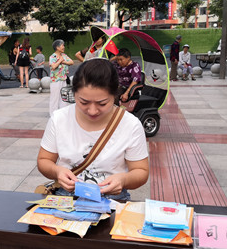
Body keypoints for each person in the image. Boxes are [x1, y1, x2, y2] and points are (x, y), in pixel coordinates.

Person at [38, 59, 149, 201]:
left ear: (114, 95)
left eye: (102, 103)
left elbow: (141, 171)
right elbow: (44, 160)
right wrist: (57, 171)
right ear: (74, 93)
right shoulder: (59, 119)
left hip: (112, 199)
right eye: (84, 102)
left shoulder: (130, 124)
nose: (92, 111)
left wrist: (123, 180)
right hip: (67, 197)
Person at [49, 39, 74, 116]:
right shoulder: (52, 57)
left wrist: (63, 61)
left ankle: (62, 115)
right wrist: (59, 61)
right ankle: (53, 115)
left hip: (64, 80)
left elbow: (71, 62)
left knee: (63, 98)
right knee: (55, 98)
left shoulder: (64, 55)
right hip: (55, 80)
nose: (64, 47)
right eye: (62, 45)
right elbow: (53, 66)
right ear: (57, 47)